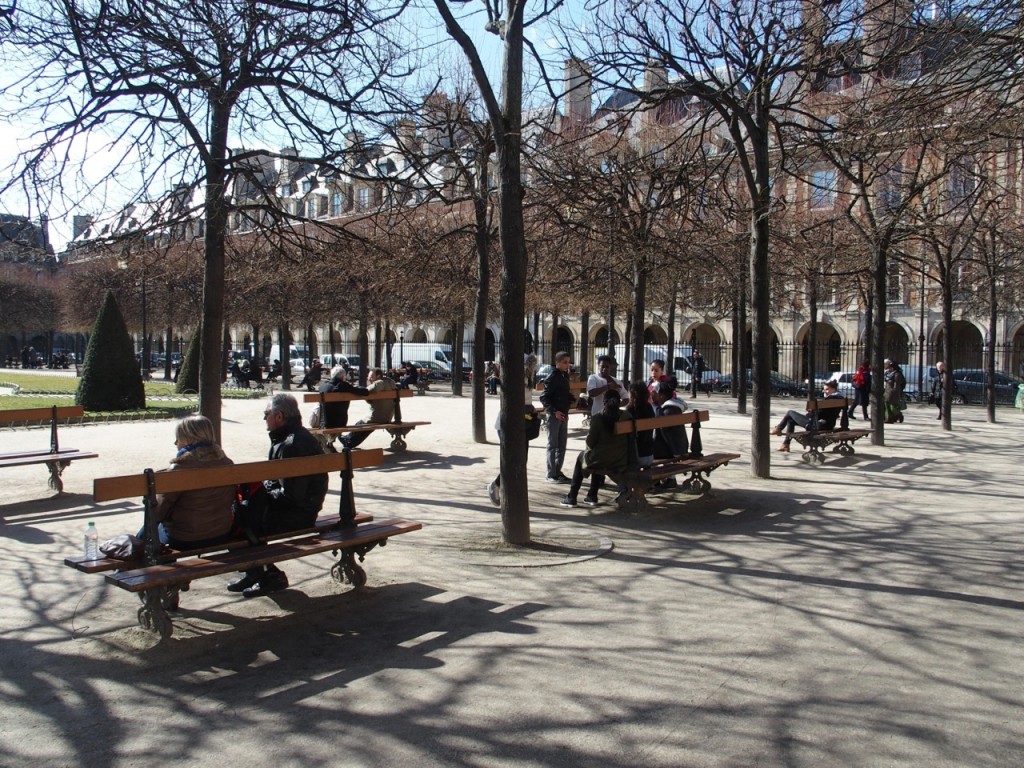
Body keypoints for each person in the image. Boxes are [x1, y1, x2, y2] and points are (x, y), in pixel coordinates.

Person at [229, 393, 328, 598]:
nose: (264, 418)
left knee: (237, 521)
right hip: (304, 508)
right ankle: (255, 572)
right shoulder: (294, 438)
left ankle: (266, 574)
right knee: (241, 514)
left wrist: (262, 492)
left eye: (266, 414)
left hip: (298, 514)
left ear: (279, 416)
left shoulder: (291, 445)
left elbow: (291, 496)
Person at [144, 415, 236, 550]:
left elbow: (159, 511)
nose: (176, 443)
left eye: (178, 439)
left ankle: (150, 566)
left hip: (185, 538)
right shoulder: (227, 463)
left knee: (151, 527)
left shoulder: (179, 469)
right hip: (221, 533)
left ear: (187, 439)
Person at [560, 389, 630, 508]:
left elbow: (590, 442)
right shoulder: (627, 416)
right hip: (620, 459)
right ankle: (592, 495)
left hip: (601, 458)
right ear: (619, 402)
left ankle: (572, 496)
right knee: (598, 455)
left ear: (604, 402)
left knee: (584, 457)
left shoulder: (598, 418)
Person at [771, 380, 844, 452]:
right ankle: (785, 444)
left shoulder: (829, 400)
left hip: (817, 425)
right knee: (790, 420)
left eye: (827, 389)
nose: (825, 391)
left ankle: (778, 429)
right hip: (828, 424)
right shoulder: (840, 398)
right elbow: (825, 413)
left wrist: (810, 412)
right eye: (824, 390)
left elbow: (818, 415)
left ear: (834, 389)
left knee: (790, 413)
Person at [540, 351, 574, 483]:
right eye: (565, 362)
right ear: (557, 362)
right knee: (552, 445)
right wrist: (554, 411)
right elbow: (544, 397)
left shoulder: (564, 375)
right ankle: (551, 473)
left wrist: (570, 398)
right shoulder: (552, 377)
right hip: (555, 415)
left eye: (568, 362)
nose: (567, 365)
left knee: (562, 444)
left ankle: (558, 471)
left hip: (563, 413)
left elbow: (562, 393)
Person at [344, 368, 397, 449]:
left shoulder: (380, 383)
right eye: (368, 376)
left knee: (360, 425)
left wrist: (358, 388)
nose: (369, 378)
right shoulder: (391, 382)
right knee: (366, 428)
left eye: (371, 376)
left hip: (378, 417)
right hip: (388, 416)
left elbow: (366, 391)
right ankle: (349, 441)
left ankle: (347, 441)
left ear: (378, 376)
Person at [318, 365, 368, 433]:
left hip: (324, 422)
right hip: (339, 422)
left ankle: (330, 440)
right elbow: (365, 392)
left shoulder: (323, 386)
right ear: (343, 377)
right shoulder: (343, 386)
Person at [626, 381, 655, 468]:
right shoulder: (649, 407)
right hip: (650, 455)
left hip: (636, 456)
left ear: (632, 394)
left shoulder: (630, 409)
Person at [883, 359, 906, 424]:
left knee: (893, 406)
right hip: (887, 390)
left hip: (893, 392)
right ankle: (889, 418)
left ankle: (898, 415)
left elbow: (897, 383)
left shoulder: (897, 374)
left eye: (890, 367)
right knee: (887, 404)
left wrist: (894, 390)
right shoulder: (888, 373)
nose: (889, 368)